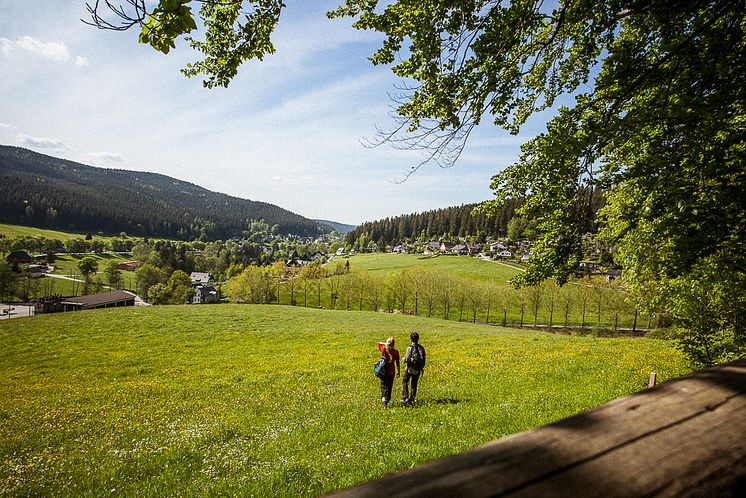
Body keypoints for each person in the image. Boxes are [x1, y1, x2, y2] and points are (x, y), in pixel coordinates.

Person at [401, 331, 426, 404]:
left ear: (411, 339)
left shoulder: (410, 348)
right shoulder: (421, 348)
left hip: (409, 368)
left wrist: (403, 359)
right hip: (418, 369)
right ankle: (412, 398)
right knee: (414, 383)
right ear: (418, 339)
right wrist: (421, 367)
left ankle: (405, 397)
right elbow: (424, 358)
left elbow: (407, 359)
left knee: (404, 381)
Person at [377, 337, 400, 408]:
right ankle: (387, 399)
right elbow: (397, 363)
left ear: (387, 343)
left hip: (383, 371)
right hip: (391, 372)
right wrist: (399, 371)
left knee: (383, 385)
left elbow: (378, 343)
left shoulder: (384, 350)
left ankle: (384, 398)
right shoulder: (396, 352)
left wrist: (385, 343)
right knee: (389, 387)